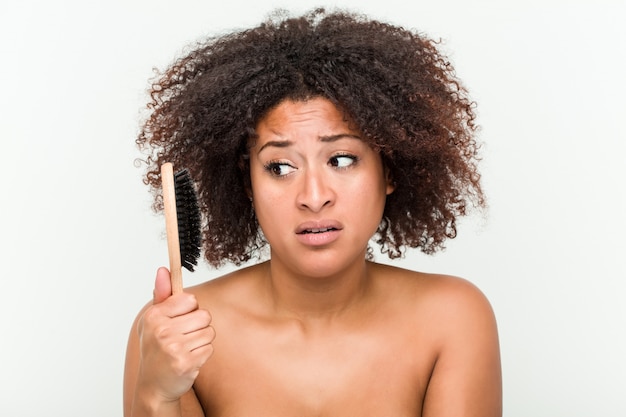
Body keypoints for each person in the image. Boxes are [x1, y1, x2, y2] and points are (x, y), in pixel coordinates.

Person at [124, 8, 502, 417]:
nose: (314, 196)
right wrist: (157, 395)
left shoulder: (452, 320)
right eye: (280, 167)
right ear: (248, 184)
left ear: (388, 171)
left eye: (341, 160)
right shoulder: (175, 335)